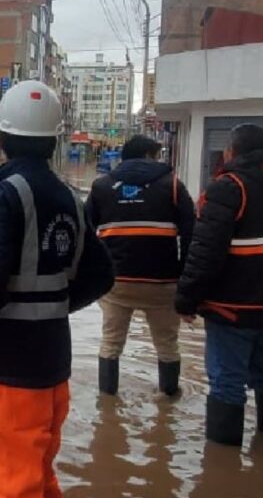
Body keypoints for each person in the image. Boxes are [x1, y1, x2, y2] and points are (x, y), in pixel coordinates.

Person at [0, 80, 115, 497]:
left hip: (10, 374)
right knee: (39, 479)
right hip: (52, 369)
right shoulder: (69, 199)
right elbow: (101, 275)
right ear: (53, 142)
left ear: (0, 138)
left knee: (13, 486)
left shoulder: (0, 199)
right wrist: (54, 304)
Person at [176, 124, 263, 446]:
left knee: (228, 380)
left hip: (231, 310)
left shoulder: (229, 187)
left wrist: (186, 301)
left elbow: (205, 252)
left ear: (231, 152)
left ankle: (222, 462)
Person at [87, 135, 195, 396]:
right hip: (162, 284)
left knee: (111, 343)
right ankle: (169, 400)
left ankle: (107, 403)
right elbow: (192, 237)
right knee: (167, 345)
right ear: (148, 155)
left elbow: (85, 234)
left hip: (117, 283)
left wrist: (97, 275)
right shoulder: (173, 187)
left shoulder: (101, 187)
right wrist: (183, 281)